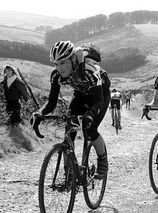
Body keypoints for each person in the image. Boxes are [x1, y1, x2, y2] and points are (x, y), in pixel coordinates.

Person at [31, 41, 111, 179]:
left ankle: (102, 161)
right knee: (69, 129)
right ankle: (69, 172)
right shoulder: (56, 75)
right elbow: (51, 102)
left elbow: (99, 101)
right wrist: (40, 113)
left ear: (72, 58)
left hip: (99, 96)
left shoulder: (88, 69)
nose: (59, 68)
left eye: (62, 62)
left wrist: (90, 114)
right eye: (56, 63)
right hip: (80, 94)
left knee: (90, 130)